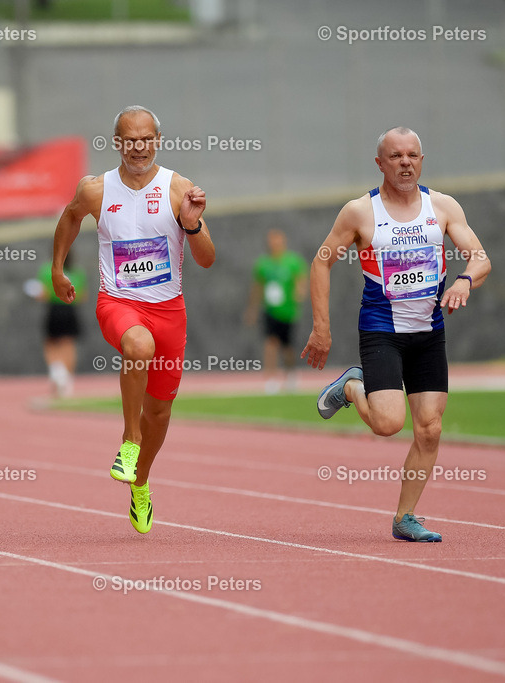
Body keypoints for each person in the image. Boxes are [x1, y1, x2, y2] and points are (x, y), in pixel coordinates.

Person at [301, 126, 491, 542]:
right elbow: (321, 263)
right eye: (396, 156)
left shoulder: (441, 207)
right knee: (388, 423)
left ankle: (405, 517)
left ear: (422, 161)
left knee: (430, 429)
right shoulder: (360, 212)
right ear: (380, 164)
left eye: (412, 155)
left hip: (428, 332)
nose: (405, 162)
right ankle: (353, 385)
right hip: (381, 330)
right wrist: (321, 327)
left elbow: (479, 257)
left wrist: (463, 281)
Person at [51, 105, 216, 534]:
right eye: (130, 140)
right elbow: (69, 218)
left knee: (160, 412)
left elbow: (207, 260)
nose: (138, 147)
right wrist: (58, 268)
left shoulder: (178, 188)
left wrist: (193, 226)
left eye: (146, 139)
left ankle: (140, 482)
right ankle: (129, 440)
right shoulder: (96, 190)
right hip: (118, 303)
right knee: (137, 346)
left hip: (169, 311)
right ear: (117, 143)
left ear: (157, 141)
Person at [244, 229, 308, 393]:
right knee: (270, 344)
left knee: (287, 347)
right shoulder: (263, 264)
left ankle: (290, 375)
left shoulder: (292, 261)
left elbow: (301, 279)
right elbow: (257, 288)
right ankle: (271, 379)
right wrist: (252, 309)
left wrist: (299, 292)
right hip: (270, 310)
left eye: (277, 240)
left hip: (288, 311)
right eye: (272, 241)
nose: (275, 244)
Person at [33, 252, 87, 397]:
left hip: (54, 309)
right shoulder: (77, 272)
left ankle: (56, 370)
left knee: (51, 342)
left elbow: (42, 294)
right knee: (69, 344)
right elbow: (82, 296)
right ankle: (67, 381)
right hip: (70, 309)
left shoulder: (46, 270)